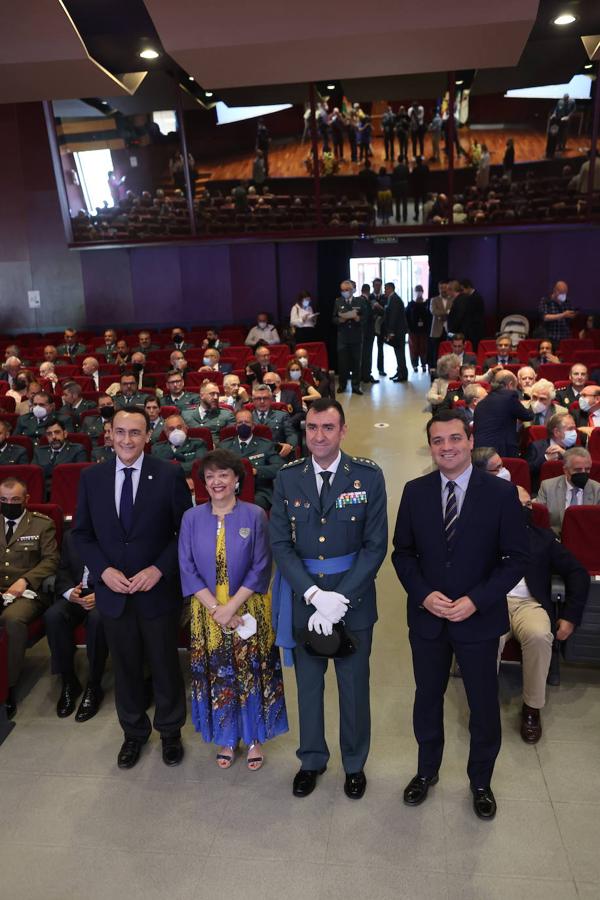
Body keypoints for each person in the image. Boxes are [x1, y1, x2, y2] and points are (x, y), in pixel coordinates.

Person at [392, 410, 528, 820]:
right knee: (427, 699)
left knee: (483, 705)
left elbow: (515, 558)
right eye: (438, 441)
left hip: (479, 619)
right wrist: (422, 594)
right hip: (429, 620)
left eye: (454, 439)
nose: (446, 447)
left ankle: (480, 781)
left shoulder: (500, 494)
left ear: (470, 441)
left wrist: (477, 600)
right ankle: (426, 772)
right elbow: (403, 553)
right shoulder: (415, 492)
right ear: (430, 446)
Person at [270, 398, 388, 800]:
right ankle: (312, 760)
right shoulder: (288, 478)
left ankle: (354, 764)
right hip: (306, 598)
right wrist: (314, 593)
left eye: (328, 428)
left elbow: (375, 546)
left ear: (343, 430)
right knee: (308, 686)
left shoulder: (367, 477)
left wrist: (340, 597)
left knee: (354, 687)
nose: (319, 436)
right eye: (312, 428)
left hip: (353, 601)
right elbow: (281, 543)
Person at [72, 409, 193, 769]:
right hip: (114, 593)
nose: (127, 440)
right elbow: (82, 533)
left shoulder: (169, 474)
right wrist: (102, 570)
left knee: (164, 664)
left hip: (156, 592)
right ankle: (133, 734)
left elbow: (183, 532)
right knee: (125, 668)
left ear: (147, 435)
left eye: (135, 433)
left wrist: (159, 569)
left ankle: (171, 732)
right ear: (109, 434)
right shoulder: (92, 477)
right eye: (120, 432)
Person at [179, 448, 287, 769]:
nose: (216, 482)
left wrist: (232, 607)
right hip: (207, 611)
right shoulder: (191, 517)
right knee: (219, 673)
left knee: (250, 672)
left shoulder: (255, 515)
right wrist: (216, 608)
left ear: (237, 479)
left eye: (223, 475)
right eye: (210, 476)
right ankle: (226, 735)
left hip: (247, 608)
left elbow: (261, 566)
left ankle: (253, 737)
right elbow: (186, 567)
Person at [500, 486, 589, 742]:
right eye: (521, 505)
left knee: (540, 636)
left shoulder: (543, 538)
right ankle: (483, 705)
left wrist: (570, 616)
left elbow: (577, 573)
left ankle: (531, 708)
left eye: (529, 505)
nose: (527, 510)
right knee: (488, 637)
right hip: (495, 602)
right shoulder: (485, 536)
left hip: (531, 604)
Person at [0, 476, 60, 718]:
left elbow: (51, 560)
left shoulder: (40, 524)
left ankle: (8, 686)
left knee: (12, 619)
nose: (9, 503)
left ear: (26, 499)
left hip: (28, 592)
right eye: (3, 500)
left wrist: (24, 580)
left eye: (14, 499)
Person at [44, 530, 109, 721]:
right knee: (53, 616)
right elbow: (63, 570)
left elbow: (127, 569)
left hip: (105, 595)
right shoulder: (72, 536)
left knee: (98, 620)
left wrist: (102, 596)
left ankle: (94, 684)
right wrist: (70, 592)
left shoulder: (116, 533)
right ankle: (68, 680)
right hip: (77, 594)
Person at [220, 409, 284, 510]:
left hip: (258, 491)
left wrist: (256, 471)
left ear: (253, 426)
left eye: (247, 422)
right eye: (240, 423)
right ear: (236, 427)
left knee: (250, 506)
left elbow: (280, 467)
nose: (243, 425)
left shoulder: (265, 445)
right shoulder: (225, 446)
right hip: (230, 490)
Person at [536, 447, 600, 535]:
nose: (583, 473)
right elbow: (539, 520)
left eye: (587, 469)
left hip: (587, 539)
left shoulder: (597, 489)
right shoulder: (548, 486)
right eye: (578, 470)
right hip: (556, 540)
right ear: (565, 470)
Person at [473, 370, 534, 457]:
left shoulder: (481, 403)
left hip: (479, 452)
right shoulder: (509, 397)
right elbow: (528, 416)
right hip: (501, 452)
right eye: (515, 387)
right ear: (510, 384)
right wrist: (529, 401)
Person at [32, 419, 88, 497]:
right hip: (44, 494)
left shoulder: (77, 449)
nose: (54, 437)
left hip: (67, 493)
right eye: (49, 434)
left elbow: (79, 476)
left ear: (65, 434)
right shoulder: (39, 452)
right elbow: (34, 477)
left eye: (57, 432)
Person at [526, 412, 577, 493]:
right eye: (570, 429)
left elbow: (583, 470)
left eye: (575, 428)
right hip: (541, 492)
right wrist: (546, 458)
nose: (574, 433)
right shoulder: (536, 447)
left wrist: (565, 454)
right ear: (556, 432)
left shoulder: (576, 449)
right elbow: (527, 471)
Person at [333, 279, 367, 395]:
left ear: (352, 290)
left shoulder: (360, 301)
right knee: (343, 363)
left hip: (356, 337)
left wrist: (359, 319)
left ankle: (356, 386)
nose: (345, 292)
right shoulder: (338, 301)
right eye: (342, 290)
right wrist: (340, 320)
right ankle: (342, 385)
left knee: (356, 363)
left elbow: (366, 317)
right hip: (343, 338)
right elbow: (333, 318)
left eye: (347, 290)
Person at [151, 413, 208, 481]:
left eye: (179, 427)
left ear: (186, 428)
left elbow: (200, 465)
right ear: (166, 432)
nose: (176, 431)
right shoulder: (157, 448)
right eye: (171, 429)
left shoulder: (198, 444)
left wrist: (169, 469)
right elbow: (156, 470)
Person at [251, 384, 297, 457]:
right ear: (253, 400)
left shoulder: (282, 416)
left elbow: (291, 434)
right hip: (254, 455)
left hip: (277, 454)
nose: (262, 401)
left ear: (271, 399)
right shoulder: (248, 418)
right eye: (258, 398)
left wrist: (289, 445)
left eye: (265, 398)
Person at [448, 279, 485, 352]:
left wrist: (452, 330)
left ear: (451, 290)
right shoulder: (464, 298)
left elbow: (459, 317)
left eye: (448, 290)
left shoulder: (461, 300)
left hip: (463, 333)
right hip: (466, 333)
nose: (447, 293)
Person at [383, 281, 408, 383]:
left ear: (390, 289)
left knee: (400, 353)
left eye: (386, 289)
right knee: (398, 353)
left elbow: (393, 317)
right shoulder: (393, 298)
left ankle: (402, 375)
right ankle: (400, 372)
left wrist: (391, 332)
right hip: (398, 331)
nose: (384, 291)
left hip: (398, 331)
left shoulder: (394, 299)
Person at [538, 281, 576, 346]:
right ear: (555, 291)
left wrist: (572, 315)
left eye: (565, 294)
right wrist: (563, 315)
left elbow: (571, 316)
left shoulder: (567, 302)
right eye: (561, 293)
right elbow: (545, 317)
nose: (563, 296)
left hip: (565, 337)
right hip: (550, 337)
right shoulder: (546, 300)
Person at [406, 285, 432, 373]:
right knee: (413, 348)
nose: (419, 293)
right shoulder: (410, 304)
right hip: (413, 331)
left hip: (424, 331)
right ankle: (415, 365)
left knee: (424, 348)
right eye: (417, 291)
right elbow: (406, 317)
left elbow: (430, 317)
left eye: (420, 291)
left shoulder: (427, 303)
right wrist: (408, 329)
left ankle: (424, 365)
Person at [428, 281, 452, 370]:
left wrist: (443, 314)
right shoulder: (434, 300)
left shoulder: (452, 299)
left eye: (445, 288)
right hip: (436, 329)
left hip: (449, 329)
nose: (443, 290)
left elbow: (453, 312)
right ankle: (435, 368)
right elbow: (434, 311)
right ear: (439, 289)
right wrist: (446, 313)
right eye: (441, 288)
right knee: (435, 350)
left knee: (448, 350)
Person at [391, 157, 409, 224]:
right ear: (403, 160)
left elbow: (394, 177)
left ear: (398, 161)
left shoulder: (396, 168)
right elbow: (408, 176)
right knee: (405, 202)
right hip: (404, 185)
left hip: (398, 185)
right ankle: (405, 217)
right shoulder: (406, 167)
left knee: (397, 202)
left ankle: (398, 217)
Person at [410, 156, 429, 222]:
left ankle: (417, 216)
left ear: (417, 162)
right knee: (424, 202)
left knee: (416, 202)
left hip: (417, 188)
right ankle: (425, 215)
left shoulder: (415, 169)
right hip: (424, 187)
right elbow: (428, 176)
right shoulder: (426, 167)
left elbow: (412, 178)